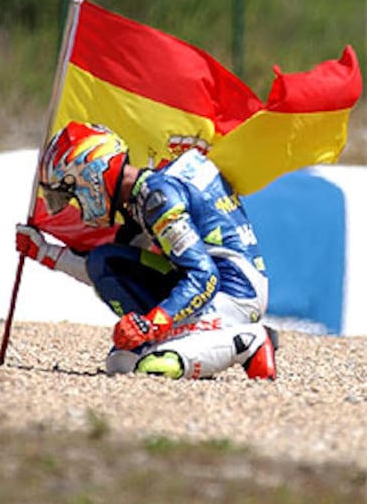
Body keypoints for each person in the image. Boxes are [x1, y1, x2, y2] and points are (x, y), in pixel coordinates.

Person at [16, 121, 277, 380]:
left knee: (156, 367)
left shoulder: (159, 199)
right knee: (121, 361)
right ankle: (207, 338)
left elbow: (205, 277)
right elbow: (107, 269)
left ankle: (250, 341)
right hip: (206, 288)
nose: (76, 205)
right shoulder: (139, 198)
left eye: (71, 193)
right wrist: (44, 252)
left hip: (233, 293)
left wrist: (153, 323)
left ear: (91, 176)